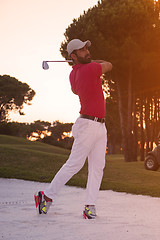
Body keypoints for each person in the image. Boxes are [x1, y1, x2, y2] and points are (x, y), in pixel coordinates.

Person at [34, 39, 112, 219]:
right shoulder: (90, 69)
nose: (87, 51)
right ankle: (46, 197)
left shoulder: (74, 74)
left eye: (87, 48)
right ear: (73, 56)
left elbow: (75, 90)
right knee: (74, 164)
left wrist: (86, 62)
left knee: (97, 167)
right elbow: (109, 64)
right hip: (88, 125)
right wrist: (95, 61)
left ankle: (89, 206)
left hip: (100, 125)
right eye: (82, 50)